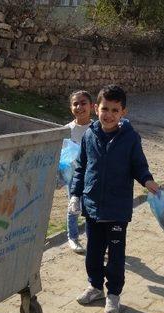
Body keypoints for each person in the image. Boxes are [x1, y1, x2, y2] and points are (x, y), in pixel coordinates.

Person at [69, 85, 160, 313]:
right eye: (104, 108)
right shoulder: (90, 134)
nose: (108, 114)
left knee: (116, 256)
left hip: (117, 209)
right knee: (93, 252)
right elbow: (81, 167)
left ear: (123, 113)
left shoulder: (130, 138)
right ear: (96, 109)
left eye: (114, 110)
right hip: (92, 207)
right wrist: (75, 194)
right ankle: (95, 287)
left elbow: (139, 166)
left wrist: (148, 181)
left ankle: (114, 294)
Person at [64, 90, 93, 253]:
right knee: (73, 207)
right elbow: (62, 156)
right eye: (75, 104)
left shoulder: (97, 128)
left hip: (93, 175)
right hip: (73, 177)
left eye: (83, 103)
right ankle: (73, 237)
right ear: (71, 107)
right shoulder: (67, 130)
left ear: (91, 106)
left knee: (90, 208)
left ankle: (92, 238)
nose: (79, 107)